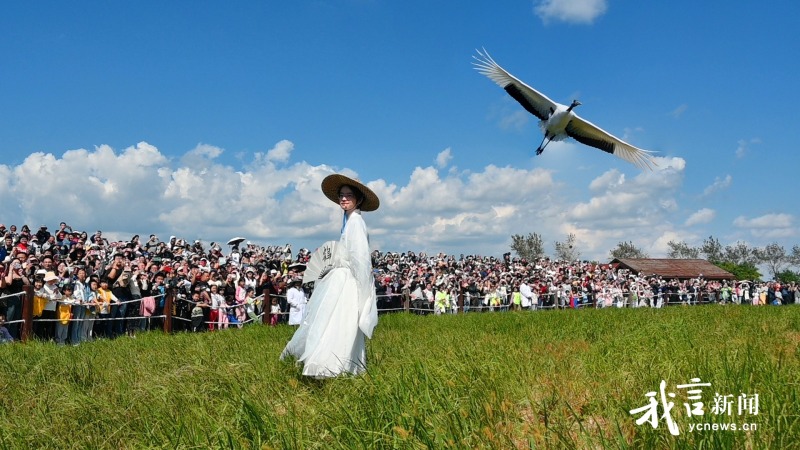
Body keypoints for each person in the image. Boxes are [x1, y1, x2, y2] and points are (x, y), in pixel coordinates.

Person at [281, 174, 379, 378]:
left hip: (348, 279)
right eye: (341, 195)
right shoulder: (349, 221)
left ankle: (338, 366)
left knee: (341, 321)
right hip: (341, 278)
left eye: (348, 195)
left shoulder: (356, 222)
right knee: (335, 321)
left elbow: (361, 259)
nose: (343, 199)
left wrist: (363, 290)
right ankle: (334, 366)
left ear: (358, 199)